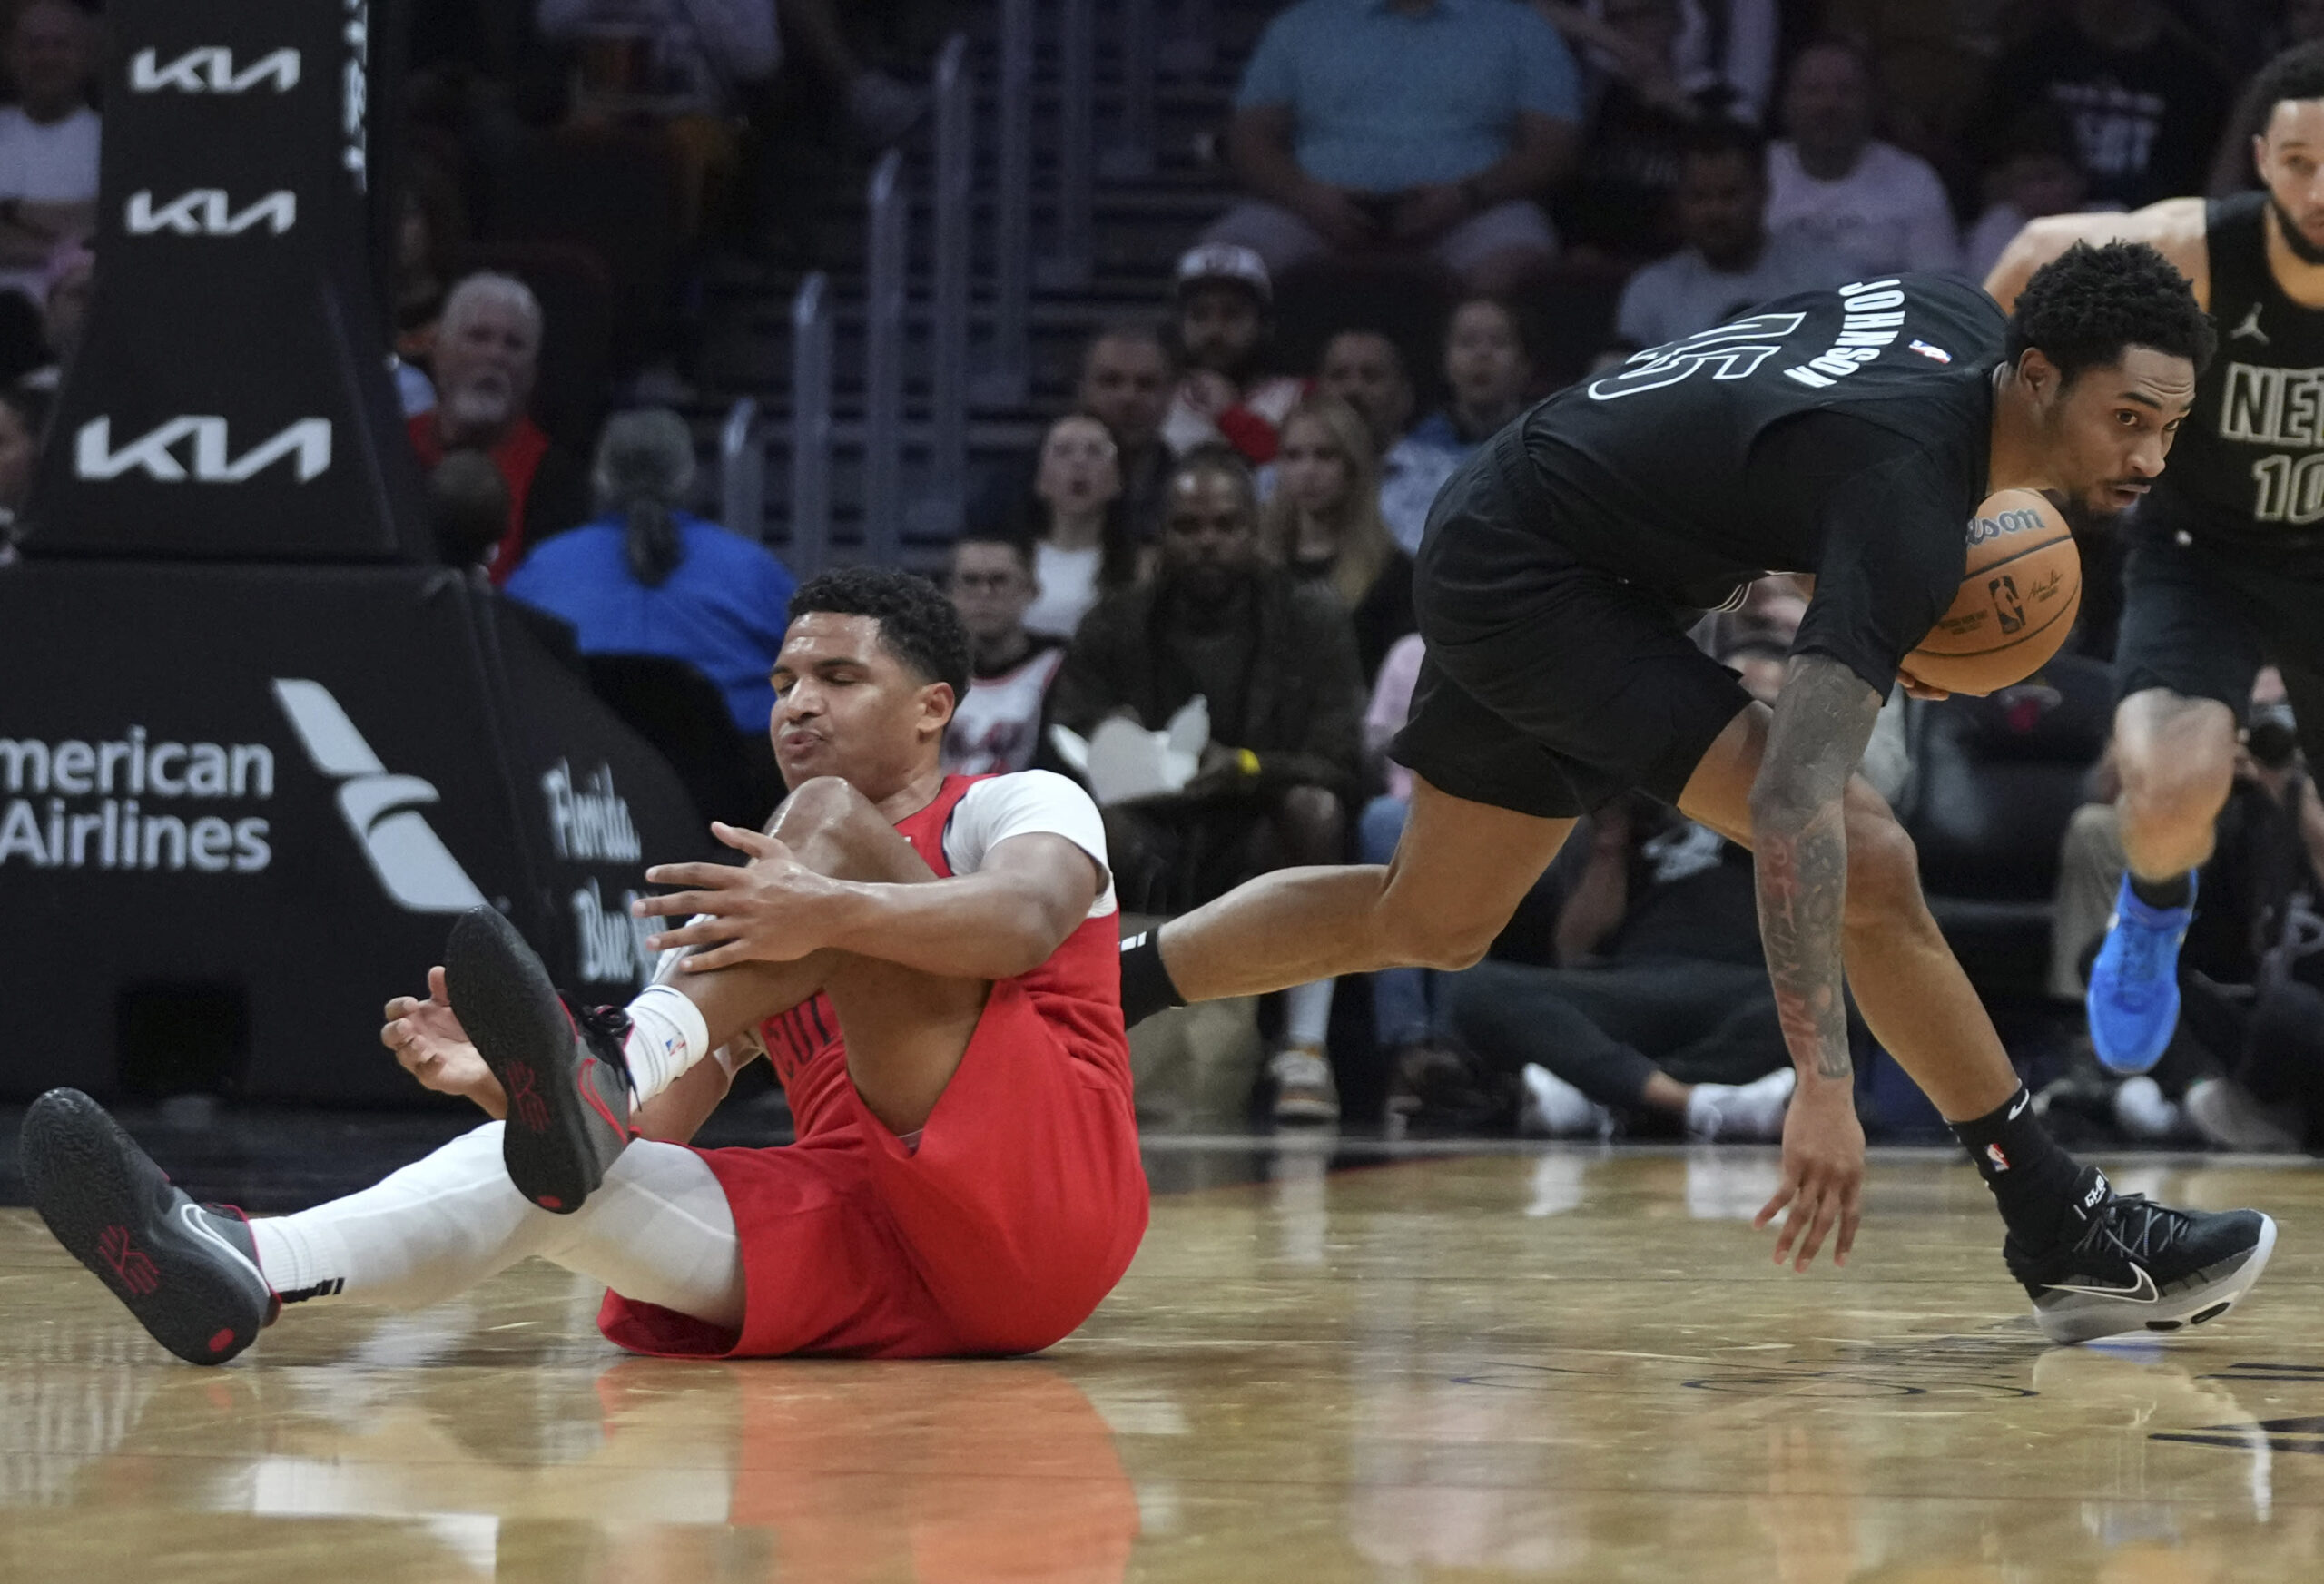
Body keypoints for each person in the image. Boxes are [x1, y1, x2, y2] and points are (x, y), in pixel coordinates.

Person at [1117, 247, 2281, 1344]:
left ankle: (1092, 987)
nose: (2147, 458)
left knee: (1430, 918)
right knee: (1863, 852)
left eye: (2169, 427)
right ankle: (2059, 1218)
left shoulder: (1955, 311)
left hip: (1533, 509)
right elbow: (1789, 805)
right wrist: (1823, 1087)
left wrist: (1838, 577)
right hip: (1543, 577)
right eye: (2126, 419)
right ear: (2036, 377)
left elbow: (1775, 409)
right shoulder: (1908, 497)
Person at [24, 568, 1149, 1367]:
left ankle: (611, 1050)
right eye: (781, 679)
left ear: (931, 710)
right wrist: (510, 1089)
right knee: (566, 1177)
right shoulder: (780, 876)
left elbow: (1022, 921)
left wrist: (828, 904)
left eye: (838, 677)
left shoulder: (1012, 802)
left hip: (1039, 1195)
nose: (796, 700)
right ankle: (253, 1263)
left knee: (817, 836)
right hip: (881, 1243)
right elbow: (649, 1133)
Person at [1986, 43, 2324, 1082]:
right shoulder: (2197, 250)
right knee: (2171, 788)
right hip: (2204, 550)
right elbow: (2035, 251)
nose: (2320, 189)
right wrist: (1963, 435)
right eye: (2301, 161)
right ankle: (2151, 914)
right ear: (2261, 158)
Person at [1050, 449, 1365, 1122]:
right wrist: (1115, 743)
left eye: (1225, 524)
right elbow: (1064, 736)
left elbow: (1340, 759)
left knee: (1318, 809)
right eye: (1189, 526)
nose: (1207, 542)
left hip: (1255, 830)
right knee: (1074, 821)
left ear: (1255, 529)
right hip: (1148, 826)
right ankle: (1076, 1047)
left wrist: (1248, 765)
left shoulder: (1311, 619)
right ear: (1162, 533)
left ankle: (1305, 1049)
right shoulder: (1115, 621)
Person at [1443, 644, 1804, 1141]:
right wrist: (1610, 843)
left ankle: (1606, 1096)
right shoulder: (1639, 803)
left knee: (1829, 1008)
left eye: (1765, 710)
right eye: (1731, 705)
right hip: (1632, 983)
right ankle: (1684, 1103)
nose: (1745, 725)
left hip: (1744, 986)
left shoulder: (1814, 806)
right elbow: (1574, 950)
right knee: (1477, 989)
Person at [1206, 0, 1583, 296]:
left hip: (1471, 214)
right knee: (1221, 262)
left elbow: (1554, 144)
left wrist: (1466, 196)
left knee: (1516, 256)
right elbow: (1249, 136)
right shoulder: (1301, 25)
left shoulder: (1520, 28)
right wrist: (1307, 199)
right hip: (1313, 212)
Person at [504, 408, 797, 736]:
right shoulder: (755, 571)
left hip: (573, 774)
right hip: (727, 782)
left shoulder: (540, 571)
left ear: (600, 477)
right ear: (689, 476)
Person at [408, 273, 592, 585]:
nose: (495, 356)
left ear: (532, 374)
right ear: (438, 354)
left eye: (514, 344)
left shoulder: (560, 485)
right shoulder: (387, 449)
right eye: (478, 337)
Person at [1613, 120, 1855, 351]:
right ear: (1678, 200)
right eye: (1700, 196)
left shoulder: (1825, 279)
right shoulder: (1650, 291)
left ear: (1763, 192)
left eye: (1730, 195)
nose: (1715, 211)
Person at [1974, 0, 2230, 215]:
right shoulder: (2031, 60)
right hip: (2033, 230)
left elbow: (2193, 193)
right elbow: (1989, 166)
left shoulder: (2195, 80)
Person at [1765, 37, 1961, 280]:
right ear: (1787, 101)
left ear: (1871, 101)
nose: (1829, 105)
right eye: (1813, 90)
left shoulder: (1915, 180)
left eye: (1845, 91)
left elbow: (1940, 288)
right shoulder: (1757, 170)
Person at [972, 327, 1178, 546]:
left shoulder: (1183, 485)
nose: (1128, 398)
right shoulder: (1017, 487)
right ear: (1081, 389)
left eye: (1146, 384)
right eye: (1110, 381)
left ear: (1170, 396)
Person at [1262, 394, 1419, 681]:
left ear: (1353, 465)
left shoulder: (1395, 575)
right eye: (1293, 456)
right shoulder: (1255, 564)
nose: (1307, 471)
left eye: (1325, 455)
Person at [1315, 329, 1461, 555]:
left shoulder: (1447, 481)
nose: (1353, 389)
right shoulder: (1273, 482)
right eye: (1339, 375)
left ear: (1405, 395)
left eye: (1371, 376)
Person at [1162, 244, 1307, 464]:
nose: (1214, 330)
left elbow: (1302, 473)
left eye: (1232, 314)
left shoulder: (1301, 399)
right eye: (1199, 315)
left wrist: (1230, 414)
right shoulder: (1157, 396)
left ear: (1264, 324)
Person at [1002, 413, 1139, 643]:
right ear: (1040, 479)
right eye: (1063, 451)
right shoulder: (1008, 561)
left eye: (1095, 451)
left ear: (1118, 479)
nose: (1079, 462)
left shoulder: (1143, 566)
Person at [943, 531, 1068, 777]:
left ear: (1031, 590)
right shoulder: (927, 668)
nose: (985, 593)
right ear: (950, 592)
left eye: (999, 580)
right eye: (970, 581)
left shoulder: (1062, 668)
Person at [0, 0, 97, 311]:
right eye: (34, 45)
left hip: (76, 330)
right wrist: (73, 244)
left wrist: (10, 211)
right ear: (10, 55)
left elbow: (113, 225)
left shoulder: (114, 140)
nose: (47, 57)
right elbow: (89, 232)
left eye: (61, 45)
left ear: (86, 55)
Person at [1410, 297, 1537, 458]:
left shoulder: (1544, 437)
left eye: (1498, 342)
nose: (1482, 353)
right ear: (1445, 362)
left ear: (1524, 364)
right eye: (1467, 342)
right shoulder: (1419, 447)